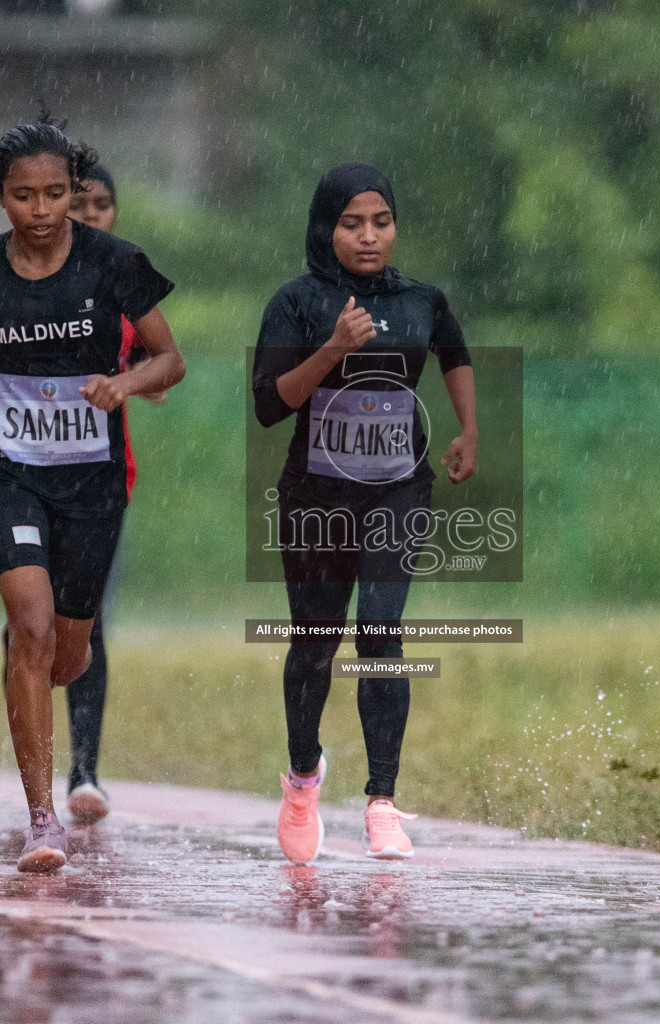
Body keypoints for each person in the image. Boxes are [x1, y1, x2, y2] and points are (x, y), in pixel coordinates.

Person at [0, 115, 183, 872]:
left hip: (92, 480)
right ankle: (43, 817)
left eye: (53, 195)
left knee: (68, 654)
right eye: (22, 196)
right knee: (29, 626)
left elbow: (170, 360)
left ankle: (52, 709)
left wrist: (124, 383)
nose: (40, 211)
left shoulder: (114, 264)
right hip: (9, 472)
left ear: (73, 194)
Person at [251, 163, 478, 863]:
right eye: (353, 224)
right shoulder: (296, 303)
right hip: (316, 499)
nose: (369, 236)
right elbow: (269, 404)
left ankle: (382, 802)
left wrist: (468, 429)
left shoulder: (420, 301)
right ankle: (301, 780)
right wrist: (333, 349)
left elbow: (455, 355)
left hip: (396, 490)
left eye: (381, 222)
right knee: (316, 646)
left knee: (380, 629)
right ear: (326, 228)